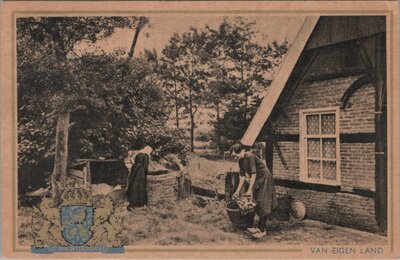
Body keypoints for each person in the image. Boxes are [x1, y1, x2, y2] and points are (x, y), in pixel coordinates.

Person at [230, 143, 278, 239]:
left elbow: (254, 174)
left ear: (242, 151)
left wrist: (249, 190)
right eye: (233, 156)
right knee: (255, 201)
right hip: (257, 180)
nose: (235, 158)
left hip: (265, 178)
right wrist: (237, 191)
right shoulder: (240, 161)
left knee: (263, 201)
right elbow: (242, 177)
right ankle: (259, 227)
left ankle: (262, 230)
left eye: (236, 155)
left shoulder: (250, 156)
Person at [126, 145, 153, 210]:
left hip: (135, 170)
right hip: (141, 172)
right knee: (141, 187)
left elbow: (135, 163)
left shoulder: (138, 155)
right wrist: (146, 173)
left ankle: (132, 203)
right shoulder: (146, 156)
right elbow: (145, 166)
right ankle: (141, 203)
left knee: (134, 186)